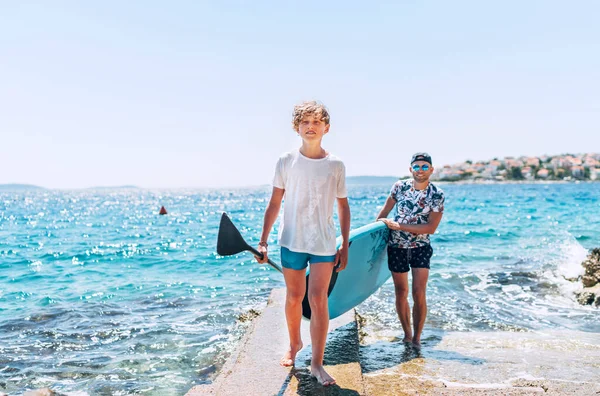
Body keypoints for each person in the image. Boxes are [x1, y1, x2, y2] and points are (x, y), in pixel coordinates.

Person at [255, 101, 350, 386]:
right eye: (305, 122)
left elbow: (343, 207)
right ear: (297, 128)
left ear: (326, 128)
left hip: (323, 242)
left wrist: (344, 243)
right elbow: (274, 204)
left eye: (316, 122)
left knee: (318, 299)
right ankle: (295, 343)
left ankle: (317, 364)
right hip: (291, 240)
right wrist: (263, 242)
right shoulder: (286, 161)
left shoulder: (335, 165)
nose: (311, 127)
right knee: (295, 296)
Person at [376, 153, 445, 348]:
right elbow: (384, 213)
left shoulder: (436, 194)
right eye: (417, 166)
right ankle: (407, 334)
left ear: (431, 170)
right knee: (401, 291)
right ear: (410, 169)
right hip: (396, 246)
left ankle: (417, 338)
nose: (420, 170)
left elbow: (431, 228)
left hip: (420, 247)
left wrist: (399, 226)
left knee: (418, 292)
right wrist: (374, 235)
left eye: (425, 167)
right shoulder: (399, 187)